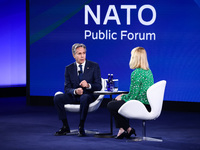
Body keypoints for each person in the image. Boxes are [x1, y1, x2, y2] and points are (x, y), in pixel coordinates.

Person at [54, 43, 102, 137]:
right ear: (74, 55)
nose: (82, 56)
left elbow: (98, 86)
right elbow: (67, 88)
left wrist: (88, 85)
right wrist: (75, 91)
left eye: (84, 53)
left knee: (84, 98)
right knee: (57, 98)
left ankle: (81, 126)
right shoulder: (69, 69)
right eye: (79, 53)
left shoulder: (94, 66)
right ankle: (65, 126)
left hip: (88, 96)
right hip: (75, 96)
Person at [107, 47, 154, 139]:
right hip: (148, 104)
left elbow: (133, 96)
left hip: (140, 104)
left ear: (135, 58)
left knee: (111, 104)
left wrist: (122, 96)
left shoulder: (136, 73)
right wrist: (123, 97)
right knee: (116, 103)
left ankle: (126, 128)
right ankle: (124, 129)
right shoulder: (148, 71)